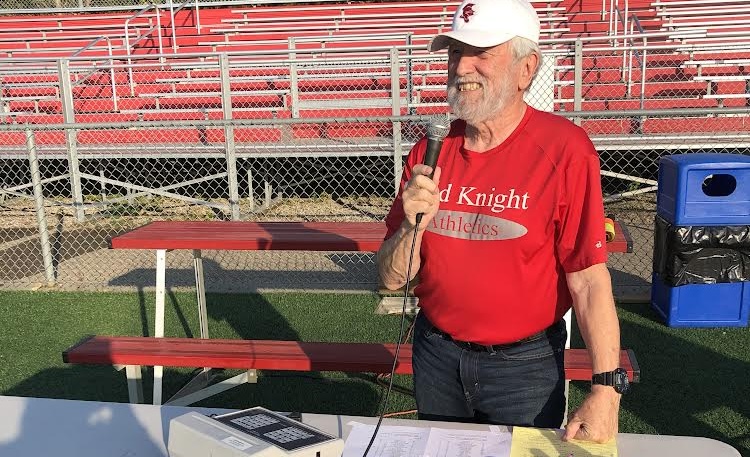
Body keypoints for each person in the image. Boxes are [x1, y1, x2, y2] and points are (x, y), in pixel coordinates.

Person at [376, 0, 624, 444]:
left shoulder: (565, 150)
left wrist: (606, 389)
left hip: (524, 367)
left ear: (526, 69)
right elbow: (392, 279)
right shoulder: (429, 152)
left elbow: (588, 278)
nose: (461, 67)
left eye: (481, 52)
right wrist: (412, 226)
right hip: (436, 354)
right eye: (454, 52)